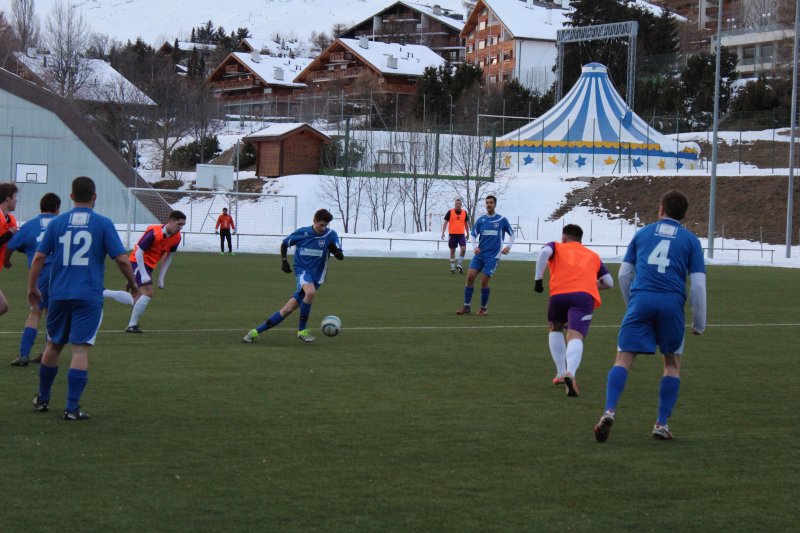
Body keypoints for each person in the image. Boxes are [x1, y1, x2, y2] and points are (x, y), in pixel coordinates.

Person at [594, 190, 706, 442]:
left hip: (641, 299)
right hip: (671, 303)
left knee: (623, 358)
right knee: (671, 364)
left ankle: (609, 410)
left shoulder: (642, 233)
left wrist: (633, 304)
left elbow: (623, 275)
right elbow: (697, 285)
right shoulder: (691, 241)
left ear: (661, 209)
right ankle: (661, 423)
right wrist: (699, 322)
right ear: (684, 215)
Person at [29, 176, 138, 420]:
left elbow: (38, 258)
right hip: (88, 296)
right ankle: (71, 408)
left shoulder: (56, 223)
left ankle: (43, 399)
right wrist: (132, 283)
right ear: (94, 196)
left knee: (53, 345)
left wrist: (32, 288)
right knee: (79, 350)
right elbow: (121, 258)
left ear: (70, 197)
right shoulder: (102, 223)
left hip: (58, 294)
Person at [534, 224, 613, 396]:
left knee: (555, 328)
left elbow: (543, 253)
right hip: (583, 297)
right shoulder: (593, 256)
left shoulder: (556, 245)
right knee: (575, 335)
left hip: (559, 294)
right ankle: (571, 373)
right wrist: (589, 284)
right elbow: (609, 282)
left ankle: (561, 373)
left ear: (564, 238)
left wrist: (538, 279)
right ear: (580, 240)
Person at [243, 208, 343, 344]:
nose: (323, 228)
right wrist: (284, 261)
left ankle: (254, 332)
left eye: (326, 225)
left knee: (287, 310)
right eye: (321, 224)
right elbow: (285, 244)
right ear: (314, 221)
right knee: (311, 292)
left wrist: (336, 251)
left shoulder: (331, 235)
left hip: (317, 277)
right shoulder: (302, 232)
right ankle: (302, 331)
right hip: (302, 270)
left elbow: (340, 255)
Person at [8, 193, 61, 366]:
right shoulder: (62, 224)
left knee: (35, 312)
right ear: (57, 208)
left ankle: (24, 354)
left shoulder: (30, 225)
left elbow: (11, 245)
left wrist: (7, 260)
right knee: (52, 314)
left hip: (40, 272)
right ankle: (47, 353)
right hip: (61, 273)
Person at [114, 210, 185, 333]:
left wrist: (161, 278)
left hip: (150, 265)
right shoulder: (154, 233)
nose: (181, 227)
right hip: (137, 261)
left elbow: (169, 257)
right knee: (148, 293)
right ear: (171, 221)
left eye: (183, 225)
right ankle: (132, 325)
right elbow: (139, 252)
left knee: (136, 299)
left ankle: (104, 293)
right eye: (179, 224)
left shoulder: (177, 237)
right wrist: (144, 273)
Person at [456, 195, 514, 316]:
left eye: (491, 202)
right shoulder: (481, 220)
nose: (489, 204)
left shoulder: (502, 220)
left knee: (483, 280)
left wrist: (508, 246)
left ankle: (483, 308)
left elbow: (512, 234)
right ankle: (466, 307)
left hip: (493, 257)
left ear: (495, 204)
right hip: (480, 255)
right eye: (487, 202)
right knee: (470, 277)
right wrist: (475, 247)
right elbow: (472, 235)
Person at [0, 182, 19, 317]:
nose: (16, 200)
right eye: (14, 197)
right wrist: (9, 234)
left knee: (2, 306)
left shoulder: (10, 219)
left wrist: (6, 260)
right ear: (7, 198)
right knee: (2, 305)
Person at [441, 198, 470, 274]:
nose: (458, 205)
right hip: (452, 235)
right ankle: (452, 268)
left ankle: (459, 265)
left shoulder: (464, 212)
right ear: (454, 204)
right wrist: (443, 232)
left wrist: (468, 233)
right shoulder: (450, 212)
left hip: (461, 235)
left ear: (461, 205)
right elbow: (445, 222)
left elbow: (466, 224)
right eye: (456, 204)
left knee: (463, 249)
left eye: (459, 204)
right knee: (452, 251)